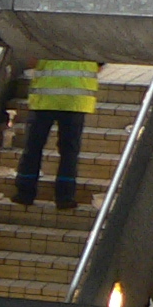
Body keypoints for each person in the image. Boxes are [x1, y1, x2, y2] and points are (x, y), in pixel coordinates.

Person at [16, 58, 99, 210]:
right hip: (75, 101)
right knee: (69, 153)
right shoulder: (91, 36)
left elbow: (30, 61)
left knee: (33, 148)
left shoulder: (49, 34)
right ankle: (65, 197)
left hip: (44, 99)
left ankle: (25, 193)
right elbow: (100, 64)